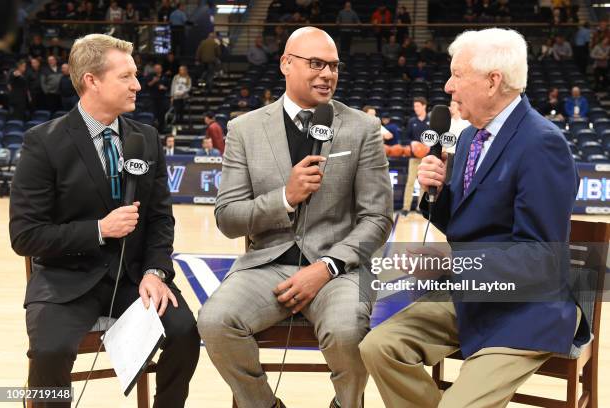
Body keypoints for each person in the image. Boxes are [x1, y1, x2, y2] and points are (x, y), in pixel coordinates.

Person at [359, 28, 584, 408]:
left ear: (493, 81)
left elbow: (540, 259)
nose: (448, 86)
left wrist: (450, 262)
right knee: (378, 347)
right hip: (472, 295)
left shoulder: (542, 142)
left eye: (457, 75)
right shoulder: (467, 139)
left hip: (526, 308)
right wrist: (437, 196)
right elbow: (466, 224)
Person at [198, 26, 393, 408]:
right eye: (316, 64)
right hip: (266, 265)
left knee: (347, 332)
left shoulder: (362, 128)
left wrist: (328, 266)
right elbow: (228, 218)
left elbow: (378, 218)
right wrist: (284, 198)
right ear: (286, 64)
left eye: (334, 66)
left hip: (339, 269)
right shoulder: (244, 129)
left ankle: (345, 405)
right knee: (214, 321)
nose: (327, 74)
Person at [9, 33, 200, 408]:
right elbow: (26, 236)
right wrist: (99, 230)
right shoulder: (43, 143)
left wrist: (155, 272)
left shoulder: (146, 138)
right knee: (49, 353)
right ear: (91, 81)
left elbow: (161, 219)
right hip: (66, 282)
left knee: (186, 332)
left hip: (134, 280)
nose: (138, 84)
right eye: (126, 76)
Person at [402, 96, 430, 214]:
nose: (415, 108)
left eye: (418, 106)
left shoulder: (431, 121)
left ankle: (420, 207)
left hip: (426, 157)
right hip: (414, 157)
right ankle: (405, 208)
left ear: (424, 106)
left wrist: (430, 145)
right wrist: (411, 142)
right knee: (410, 182)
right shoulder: (412, 121)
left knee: (424, 184)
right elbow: (405, 138)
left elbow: (435, 138)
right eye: (414, 106)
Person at [146, 63, 170, 130]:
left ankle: (161, 129)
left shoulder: (165, 76)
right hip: (152, 98)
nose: (157, 70)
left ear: (161, 69)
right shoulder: (151, 76)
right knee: (153, 114)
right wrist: (153, 81)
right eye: (156, 68)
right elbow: (147, 86)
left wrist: (164, 88)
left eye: (159, 68)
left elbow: (168, 88)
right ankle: (152, 129)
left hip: (162, 98)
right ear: (154, 69)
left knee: (161, 114)